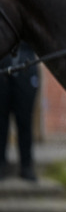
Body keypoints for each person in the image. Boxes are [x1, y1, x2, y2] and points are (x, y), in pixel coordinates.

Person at [0, 42, 39, 182]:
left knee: (25, 120)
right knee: (1, 122)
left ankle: (26, 166)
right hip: (3, 64)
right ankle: (1, 164)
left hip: (26, 65)